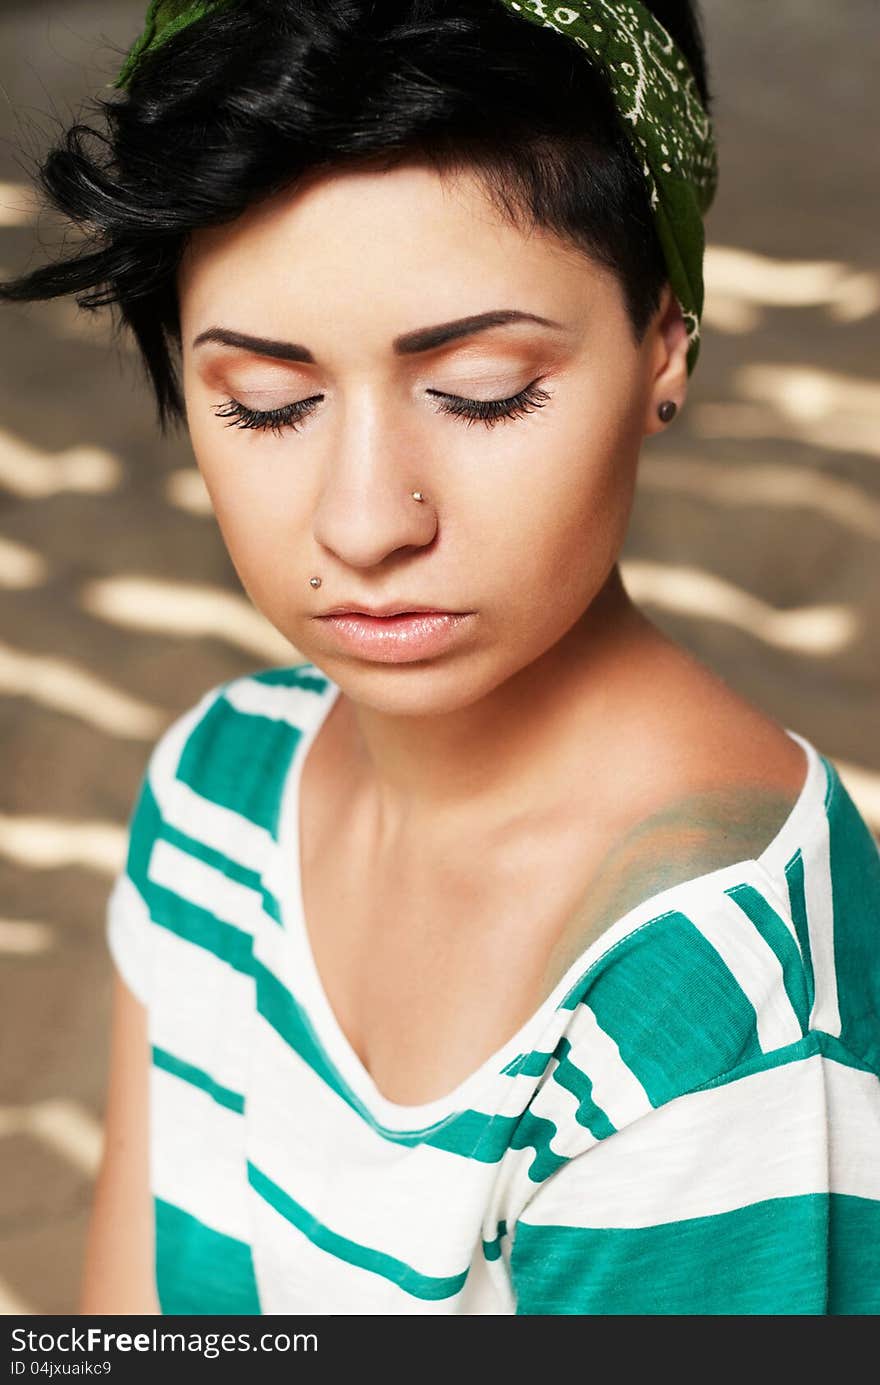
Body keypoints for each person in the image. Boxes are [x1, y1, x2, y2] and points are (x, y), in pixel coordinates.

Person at [3, 0, 878, 1316]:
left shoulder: (710, 981)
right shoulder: (215, 795)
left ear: (665, 342)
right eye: (267, 403)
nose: (365, 521)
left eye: (480, 388)